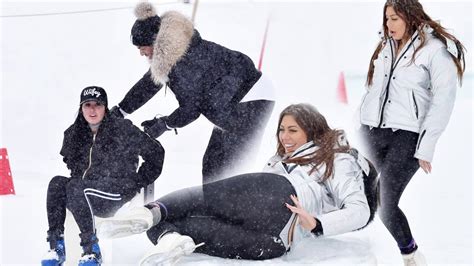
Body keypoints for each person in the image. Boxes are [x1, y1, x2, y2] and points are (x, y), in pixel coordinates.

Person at [99, 103, 378, 265]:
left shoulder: (336, 159)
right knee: (181, 224)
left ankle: (149, 211)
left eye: (293, 129)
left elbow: (359, 210)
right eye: (281, 129)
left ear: (313, 130)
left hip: (283, 201)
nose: (284, 136)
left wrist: (316, 223)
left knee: (201, 197)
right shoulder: (276, 163)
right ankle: (169, 238)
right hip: (272, 243)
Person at [109, 2, 275, 183]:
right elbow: (149, 84)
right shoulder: (174, 51)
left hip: (251, 97)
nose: (141, 53)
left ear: (155, 42)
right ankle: (214, 207)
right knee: (213, 164)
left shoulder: (184, 62)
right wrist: (121, 110)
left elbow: (191, 109)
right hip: (232, 100)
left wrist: (164, 124)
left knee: (231, 167)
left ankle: (233, 207)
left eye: (142, 47)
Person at [358, 0, 466, 265]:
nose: (388, 25)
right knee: (353, 190)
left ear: (411, 16)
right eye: (386, 19)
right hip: (373, 131)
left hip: (407, 136)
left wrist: (426, 146)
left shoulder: (433, 51)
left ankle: (411, 254)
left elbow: (443, 102)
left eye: (394, 19)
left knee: (385, 201)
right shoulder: (385, 48)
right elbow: (373, 93)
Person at [41, 86, 165, 266]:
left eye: (97, 105)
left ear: (105, 107)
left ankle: (91, 251)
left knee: (76, 187)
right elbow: (74, 169)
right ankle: (56, 247)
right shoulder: (73, 134)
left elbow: (156, 153)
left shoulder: (122, 129)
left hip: (114, 194)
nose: (92, 110)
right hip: (84, 196)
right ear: (81, 108)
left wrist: (137, 182)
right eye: (87, 105)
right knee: (57, 183)